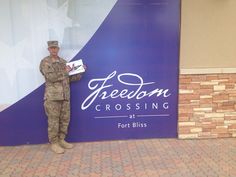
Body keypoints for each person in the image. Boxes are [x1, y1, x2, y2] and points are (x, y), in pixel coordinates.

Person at [40, 41, 86, 154]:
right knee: (53, 121)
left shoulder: (64, 62)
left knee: (65, 120)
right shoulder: (45, 62)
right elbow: (51, 77)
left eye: (55, 48)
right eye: (52, 48)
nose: (54, 50)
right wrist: (65, 72)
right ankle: (54, 143)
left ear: (58, 49)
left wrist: (80, 71)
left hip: (65, 97)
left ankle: (61, 140)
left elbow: (69, 79)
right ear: (48, 49)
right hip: (53, 98)